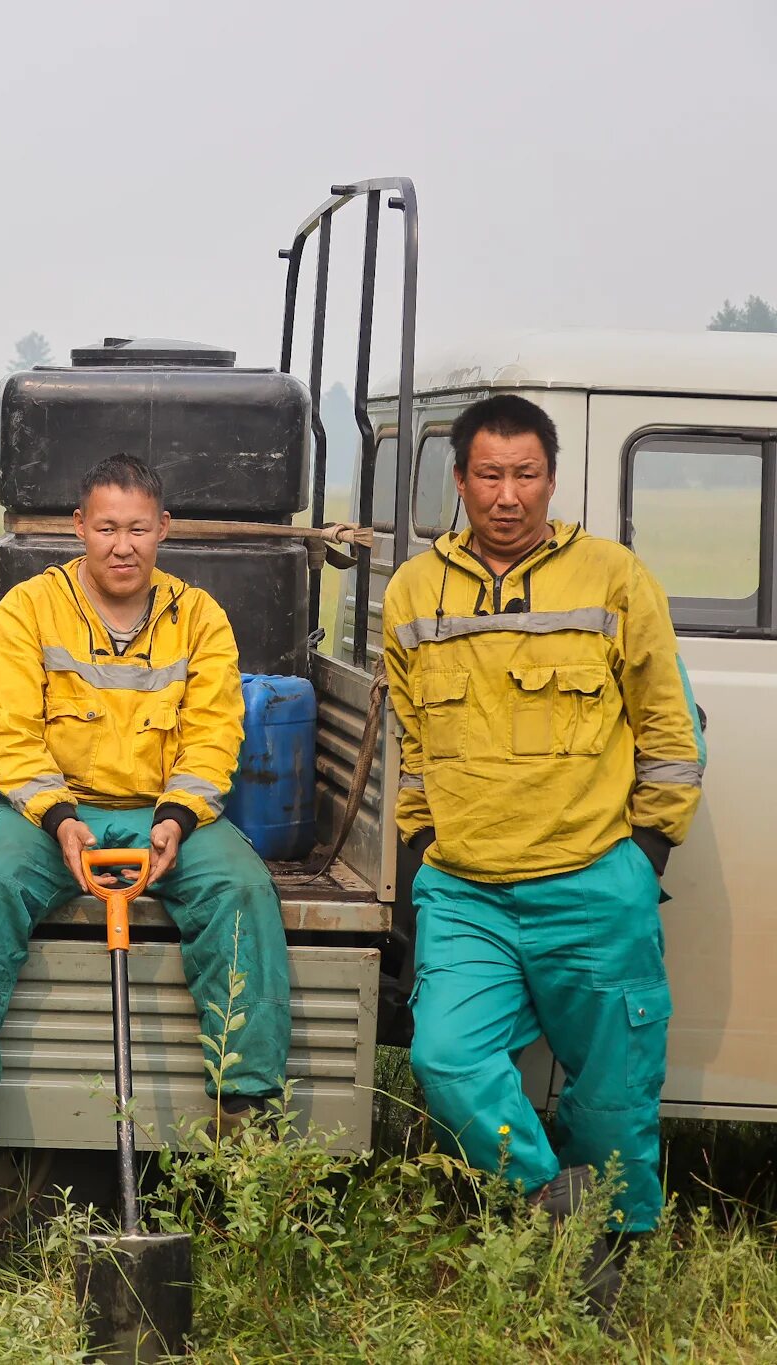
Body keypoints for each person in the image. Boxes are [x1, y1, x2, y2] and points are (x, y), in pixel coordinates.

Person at [384, 393, 703, 1313]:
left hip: (592, 879)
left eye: (526, 474)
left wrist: (645, 855)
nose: (508, 494)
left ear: (552, 479)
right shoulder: (414, 591)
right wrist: (418, 860)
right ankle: (547, 1196)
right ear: (460, 481)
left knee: (613, 1093)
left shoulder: (612, 577)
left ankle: (615, 1266)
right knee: (444, 1057)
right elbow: (411, 747)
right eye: (490, 474)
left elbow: (668, 730)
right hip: (467, 887)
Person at [0, 453, 291, 1191]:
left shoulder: (200, 618)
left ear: (165, 530)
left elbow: (214, 733)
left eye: (140, 529)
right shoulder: (30, 609)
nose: (124, 545)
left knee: (244, 892)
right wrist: (57, 817)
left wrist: (179, 818)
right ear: (79, 527)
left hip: (164, 811)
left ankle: (245, 1113)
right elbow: (7, 730)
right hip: (49, 809)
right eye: (108, 527)